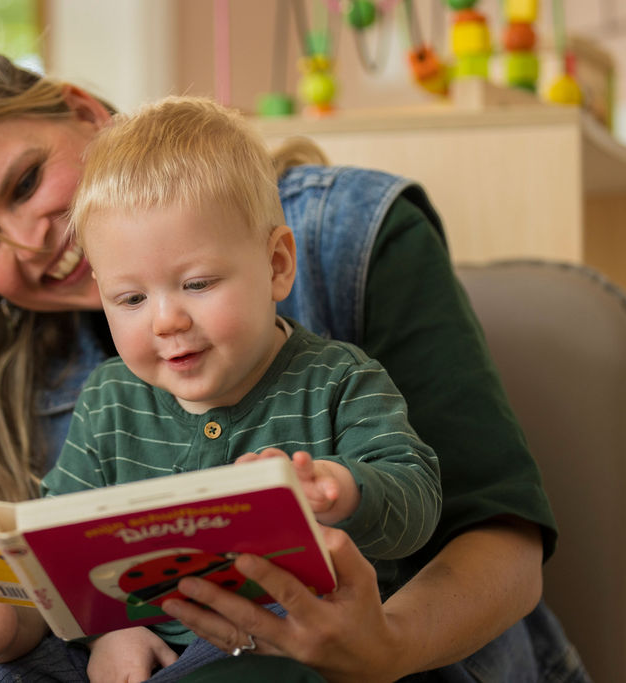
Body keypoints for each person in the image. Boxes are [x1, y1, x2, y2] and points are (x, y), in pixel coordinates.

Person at [0, 26, 587, 683]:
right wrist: (8, 621)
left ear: (83, 110)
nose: (36, 241)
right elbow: (72, 572)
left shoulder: (351, 257)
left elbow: (495, 544)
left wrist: (383, 640)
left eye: (23, 182)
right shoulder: (59, 372)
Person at [30, 95, 441, 681]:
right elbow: (60, 544)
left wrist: (341, 489)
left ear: (276, 265)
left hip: (280, 638)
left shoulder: (340, 379)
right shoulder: (109, 398)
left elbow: (418, 506)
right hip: (136, 640)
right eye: (131, 299)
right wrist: (112, 630)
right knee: (3, 671)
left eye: (196, 283)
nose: (165, 321)